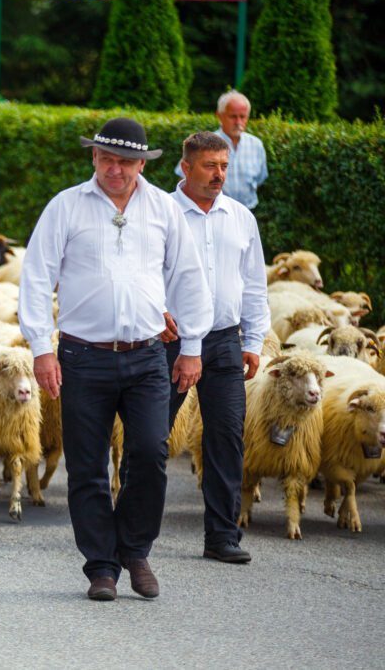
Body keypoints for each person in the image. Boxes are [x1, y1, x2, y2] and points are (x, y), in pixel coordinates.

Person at [18, 118, 213, 602]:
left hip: (148, 355)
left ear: (142, 164)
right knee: (86, 466)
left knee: (148, 454)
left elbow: (188, 277)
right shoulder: (66, 206)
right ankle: (101, 566)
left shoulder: (164, 209)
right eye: (107, 158)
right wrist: (42, 348)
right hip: (82, 356)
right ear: (94, 158)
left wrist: (192, 347)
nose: (115, 169)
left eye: (126, 161)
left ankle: (135, 549)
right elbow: (37, 279)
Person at [163, 131, 269, 564]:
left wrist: (255, 340)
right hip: (168, 342)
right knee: (150, 438)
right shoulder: (162, 212)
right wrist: (154, 313)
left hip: (225, 340)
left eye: (224, 166)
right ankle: (132, 533)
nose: (219, 174)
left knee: (226, 437)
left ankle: (222, 537)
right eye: (210, 166)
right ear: (185, 167)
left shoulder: (241, 217)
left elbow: (255, 286)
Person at [176, 90, 268, 209]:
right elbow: (185, 178)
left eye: (243, 117)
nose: (238, 122)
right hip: (211, 213)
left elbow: (259, 180)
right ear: (219, 116)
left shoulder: (256, 145)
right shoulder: (203, 144)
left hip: (248, 212)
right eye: (233, 116)